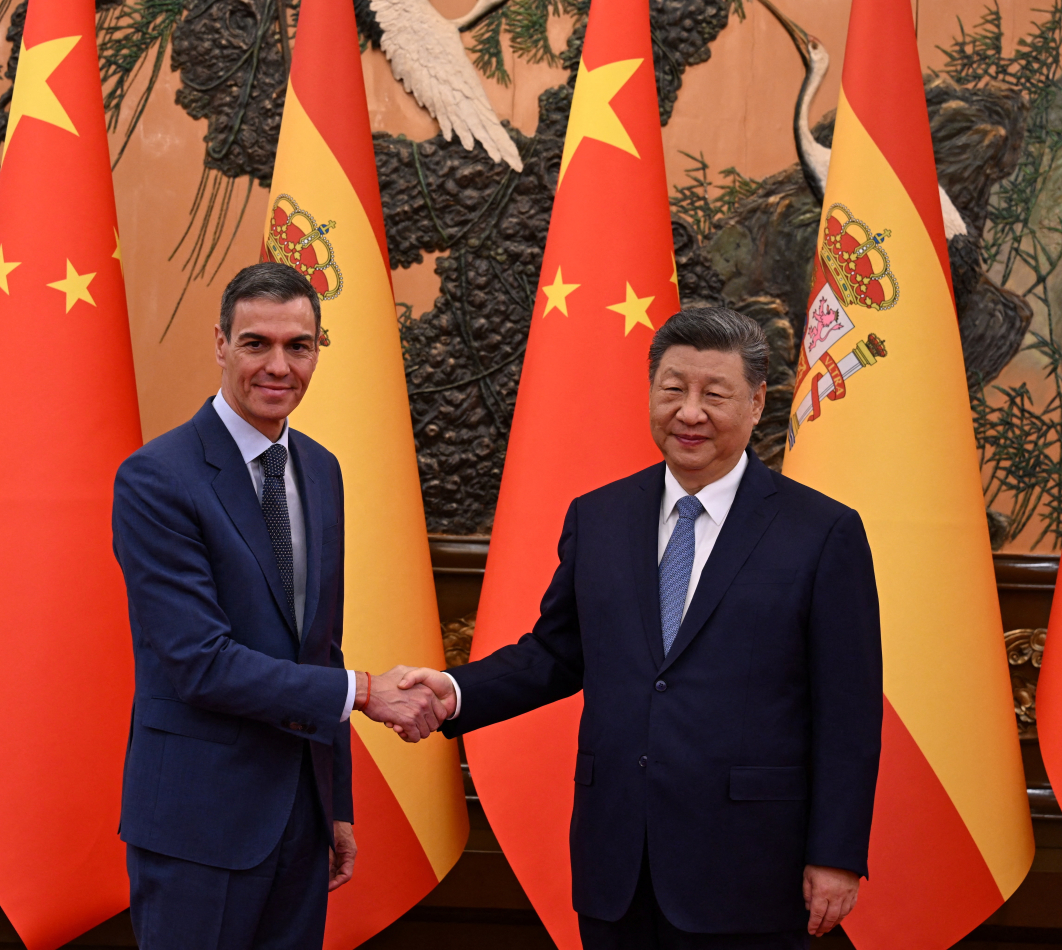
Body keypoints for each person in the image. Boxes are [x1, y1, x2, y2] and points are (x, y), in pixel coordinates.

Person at [401, 306, 883, 949]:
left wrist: (836, 854)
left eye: (715, 395)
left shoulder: (822, 532)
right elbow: (556, 654)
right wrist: (455, 692)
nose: (690, 412)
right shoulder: (599, 517)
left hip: (750, 868)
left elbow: (848, 712)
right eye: (673, 389)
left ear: (757, 402)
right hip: (617, 863)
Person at [111, 262, 448, 950]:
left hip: (301, 819)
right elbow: (200, 664)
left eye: (298, 346)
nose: (278, 366)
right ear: (220, 344)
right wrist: (365, 693)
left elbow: (320, 646)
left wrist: (335, 803)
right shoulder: (157, 477)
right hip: (197, 823)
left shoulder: (321, 469)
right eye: (256, 343)